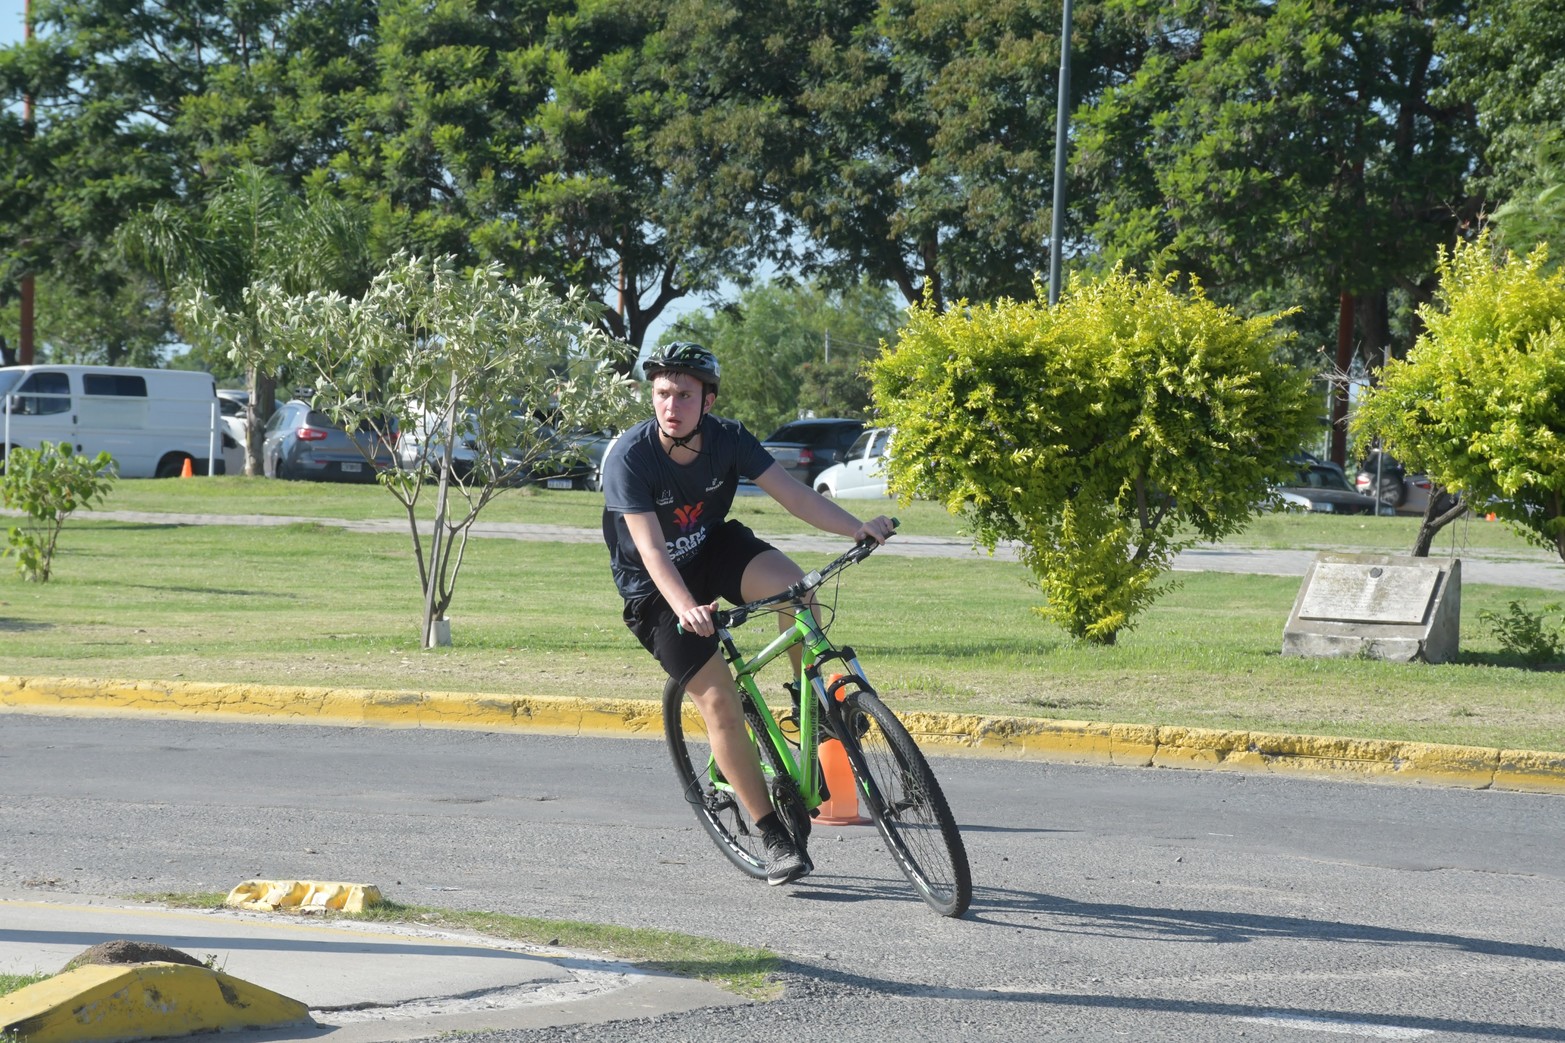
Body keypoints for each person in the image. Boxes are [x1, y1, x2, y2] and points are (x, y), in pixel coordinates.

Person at [600, 342, 895, 885]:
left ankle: (808, 704)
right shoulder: (631, 457)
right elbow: (650, 550)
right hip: (656, 590)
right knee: (719, 702)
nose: (671, 405)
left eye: (684, 394)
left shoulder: (728, 438)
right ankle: (770, 832)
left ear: (707, 400)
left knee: (796, 590)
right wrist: (686, 607)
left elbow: (794, 496)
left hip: (713, 549)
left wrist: (855, 527)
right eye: (663, 393)